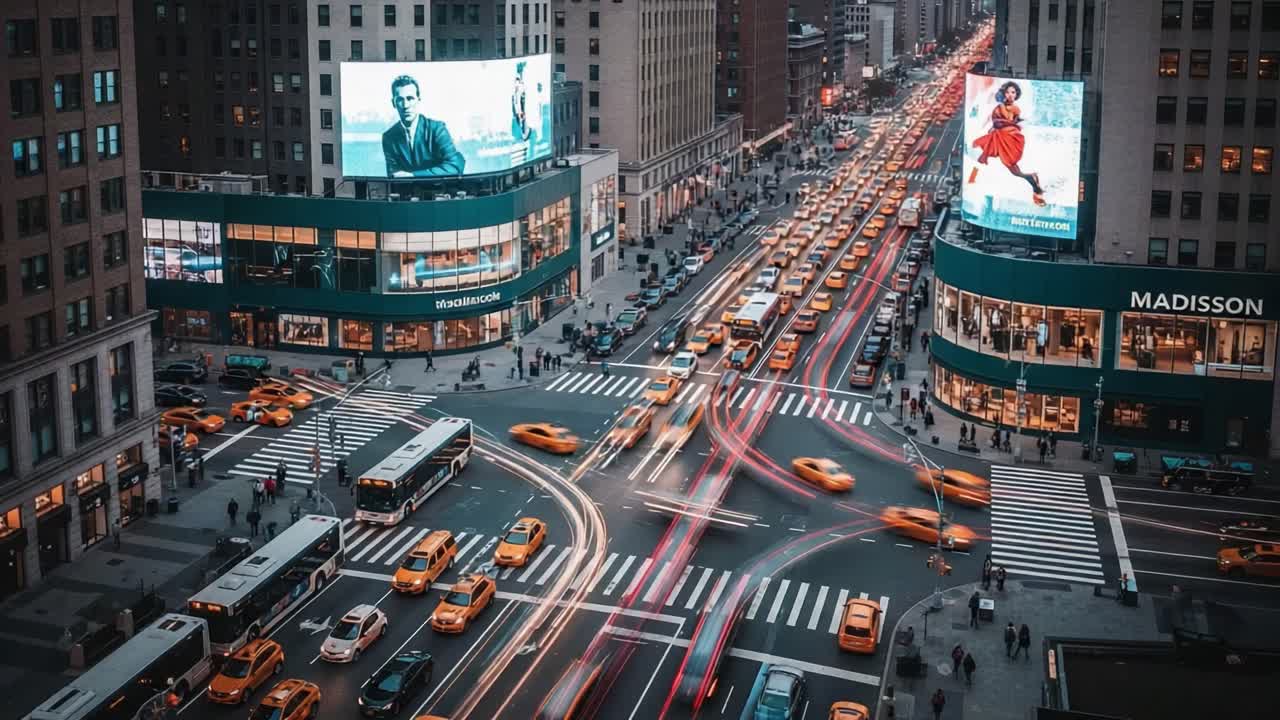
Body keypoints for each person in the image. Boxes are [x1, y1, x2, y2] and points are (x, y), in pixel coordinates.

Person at [968, 80, 1046, 205]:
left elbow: (1006, 121)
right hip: (999, 137)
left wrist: (1003, 120)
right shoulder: (999, 106)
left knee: (1011, 167)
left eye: (1013, 92)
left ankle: (1035, 186)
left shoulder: (1014, 108)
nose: (1010, 94)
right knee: (980, 153)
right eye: (1008, 92)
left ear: (1016, 94)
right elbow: (997, 121)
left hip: (1009, 138)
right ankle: (1034, 184)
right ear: (1004, 93)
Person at [382, 75, 466, 177]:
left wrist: (413, 175)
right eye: (400, 100)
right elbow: (394, 176)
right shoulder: (389, 137)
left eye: (410, 98)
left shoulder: (437, 129)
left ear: (418, 100)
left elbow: (454, 166)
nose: (405, 105)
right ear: (393, 103)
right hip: (407, 188)